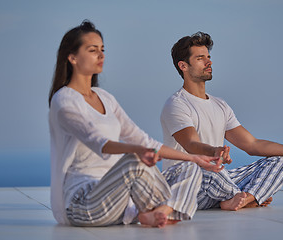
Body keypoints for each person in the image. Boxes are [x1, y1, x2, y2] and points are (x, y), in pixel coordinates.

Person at [48, 22, 223, 228]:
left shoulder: (105, 97)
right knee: (135, 160)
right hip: (82, 204)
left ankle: (157, 211)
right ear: (72, 57)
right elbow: (98, 142)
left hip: (119, 201)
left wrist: (195, 157)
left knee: (191, 167)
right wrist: (139, 150)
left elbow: (143, 139)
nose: (101, 55)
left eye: (102, 50)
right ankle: (160, 210)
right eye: (92, 50)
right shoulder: (64, 100)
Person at [160, 32, 283, 211]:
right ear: (183, 66)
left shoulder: (220, 105)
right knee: (209, 170)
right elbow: (191, 144)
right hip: (186, 186)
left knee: (280, 162)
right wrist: (214, 151)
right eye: (200, 58)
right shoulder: (177, 104)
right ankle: (245, 198)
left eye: (208, 57)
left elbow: (252, 144)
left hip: (218, 180)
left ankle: (241, 199)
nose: (209, 62)